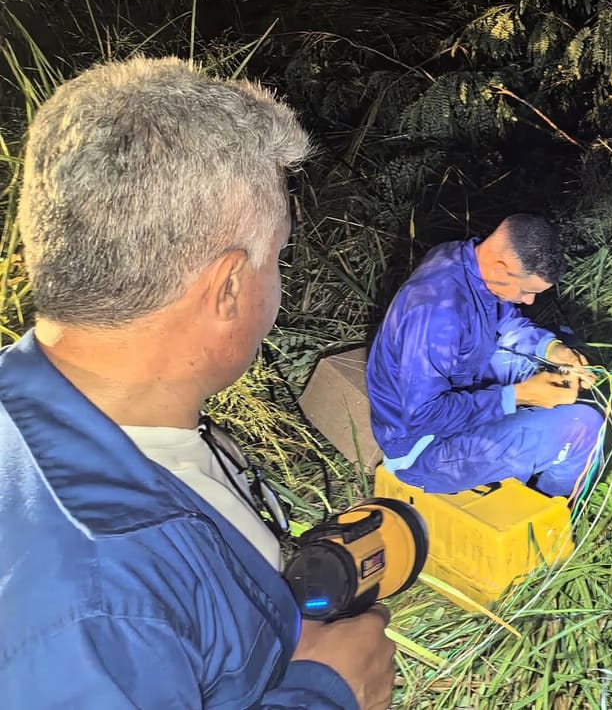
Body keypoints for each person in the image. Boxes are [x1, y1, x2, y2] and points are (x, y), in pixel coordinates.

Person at [0, 57, 395, 709]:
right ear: (229, 286)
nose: (279, 282)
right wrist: (325, 694)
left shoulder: (79, 409)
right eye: (280, 256)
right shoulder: (96, 608)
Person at [367, 214, 604, 497]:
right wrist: (517, 396)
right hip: (424, 449)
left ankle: (532, 438)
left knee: (556, 354)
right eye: (527, 291)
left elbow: (504, 321)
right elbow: (423, 417)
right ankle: (552, 511)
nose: (530, 301)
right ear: (502, 268)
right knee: (583, 428)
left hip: (461, 384)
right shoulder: (435, 315)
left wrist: (551, 348)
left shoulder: (465, 260)